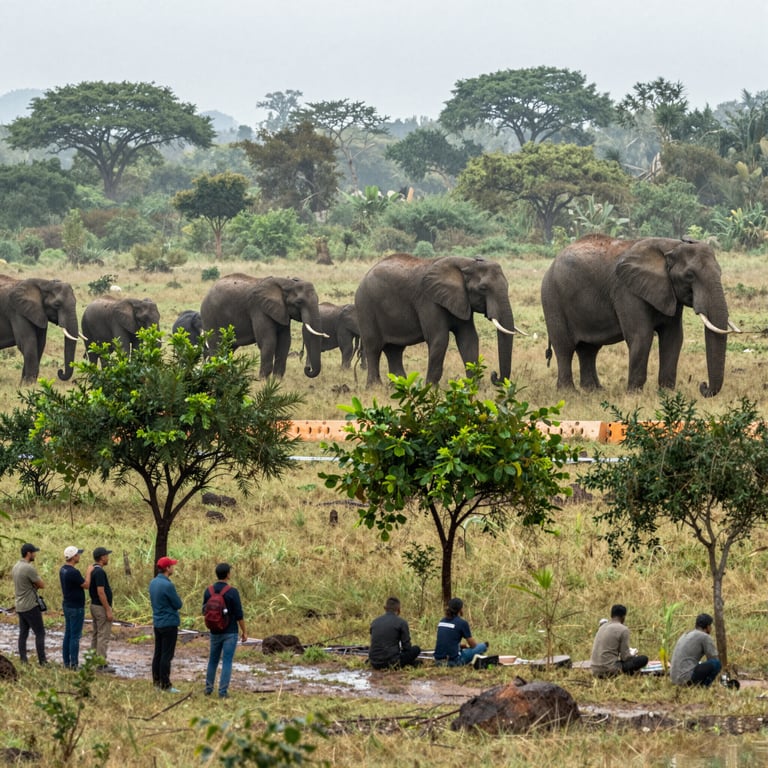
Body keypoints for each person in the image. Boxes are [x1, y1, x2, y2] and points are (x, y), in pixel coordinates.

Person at [203, 563, 247, 698]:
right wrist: (244, 631)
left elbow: (204, 611)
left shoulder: (208, 591)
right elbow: (239, 614)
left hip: (214, 631)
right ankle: (222, 692)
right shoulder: (232, 592)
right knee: (227, 661)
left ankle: (208, 689)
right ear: (228, 574)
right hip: (230, 632)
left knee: (213, 660)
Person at [149, 556, 183, 693]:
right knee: (166, 655)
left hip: (158, 622)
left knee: (158, 653)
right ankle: (165, 684)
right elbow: (178, 604)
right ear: (167, 568)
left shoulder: (153, 582)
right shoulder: (168, 585)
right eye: (172, 566)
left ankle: (156, 681)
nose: (173, 568)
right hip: (169, 622)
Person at [590, 604, 649, 677]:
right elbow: (625, 657)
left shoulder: (602, 627)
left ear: (611, 615)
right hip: (609, 670)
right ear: (623, 617)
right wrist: (633, 655)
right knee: (643, 659)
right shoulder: (623, 629)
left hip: (594, 670)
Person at [12, 543, 47, 665]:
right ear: (28, 553)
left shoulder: (16, 566)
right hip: (30, 605)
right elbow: (41, 584)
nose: (35, 555)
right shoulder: (28, 568)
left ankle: (23, 660)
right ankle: (42, 661)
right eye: (34, 553)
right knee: (40, 633)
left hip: (20, 605)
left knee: (23, 633)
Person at [59, 546, 92, 670]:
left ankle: (66, 662)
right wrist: (89, 572)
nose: (79, 556)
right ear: (73, 557)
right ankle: (74, 664)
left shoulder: (63, 570)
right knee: (75, 636)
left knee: (68, 633)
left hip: (67, 604)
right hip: (76, 607)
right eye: (78, 554)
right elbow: (86, 585)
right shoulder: (73, 572)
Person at [368, 597, 422, 669]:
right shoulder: (401, 622)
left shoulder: (375, 622)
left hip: (374, 662)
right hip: (392, 662)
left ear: (385, 608)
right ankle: (408, 663)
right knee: (416, 649)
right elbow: (407, 647)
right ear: (399, 610)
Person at [670, 613, 722, 687]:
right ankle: (704, 686)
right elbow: (713, 658)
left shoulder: (686, 634)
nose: (711, 628)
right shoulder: (704, 637)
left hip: (674, 678)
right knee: (716, 664)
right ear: (707, 626)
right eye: (710, 626)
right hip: (685, 677)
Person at [434, 597, 488, 667]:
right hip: (455, 661)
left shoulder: (442, 621)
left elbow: (447, 641)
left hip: (438, 661)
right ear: (460, 609)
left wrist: (462, 646)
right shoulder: (462, 623)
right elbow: (473, 645)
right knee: (483, 646)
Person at [89, 546, 115, 672]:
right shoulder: (99, 572)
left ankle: (93, 660)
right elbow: (101, 591)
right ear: (102, 557)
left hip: (94, 606)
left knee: (96, 634)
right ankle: (101, 664)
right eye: (106, 555)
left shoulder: (93, 570)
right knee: (103, 635)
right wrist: (108, 609)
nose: (108, 558)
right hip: (100, 607)